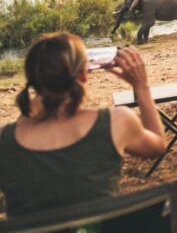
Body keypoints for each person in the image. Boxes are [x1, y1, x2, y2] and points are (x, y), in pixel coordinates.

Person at [0, 33, 166, 219]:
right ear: (83, 75)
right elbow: (157, 145)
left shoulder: (5, 139)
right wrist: (142, 86)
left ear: (32, 79)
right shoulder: (116, 121)